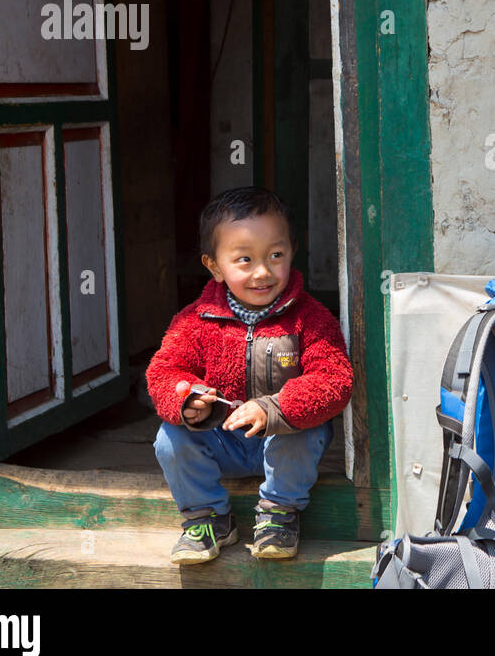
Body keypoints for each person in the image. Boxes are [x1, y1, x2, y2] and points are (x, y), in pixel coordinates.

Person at [147, 186, 352, 564]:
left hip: (284, 441)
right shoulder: (195, 320)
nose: (263, 272)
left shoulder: (312, 318)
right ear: (214, 266)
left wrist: (276, 408)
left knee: (304, 427)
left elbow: (334, 378)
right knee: (169, 437)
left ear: (292, 250)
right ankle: (207, 519)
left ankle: (278, 513)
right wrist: (188, 401)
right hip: (221, 440)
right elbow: (163, 370)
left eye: (276, 255)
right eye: (244, 259)